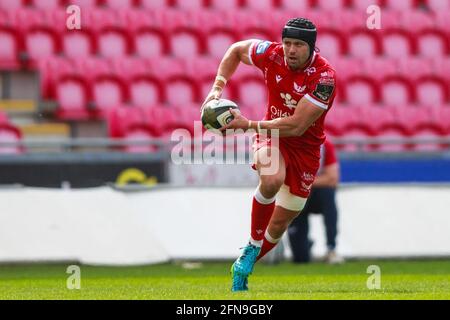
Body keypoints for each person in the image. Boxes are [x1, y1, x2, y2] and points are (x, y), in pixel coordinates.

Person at [201, 18, 337, 291]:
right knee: (272, 179)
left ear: (311, 47)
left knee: (278, 226)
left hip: (304, 148)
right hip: (271, 134)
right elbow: (236, 50)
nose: (291, 50)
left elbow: (297, 126)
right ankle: (252, 247)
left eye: (298, 44)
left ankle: (244, 263)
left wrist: (247, 124)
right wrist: (215, 90)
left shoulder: (324, 78)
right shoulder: (271, 54)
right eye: (287, 43)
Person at [288, 138, 344, 264]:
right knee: (300, 259)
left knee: (328, 193)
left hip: (314, 193)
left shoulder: (325, 145)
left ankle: (331, 248)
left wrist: (302, 182)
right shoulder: (288, 143)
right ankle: (304, 246)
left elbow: (332, 178)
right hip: (297, 195)